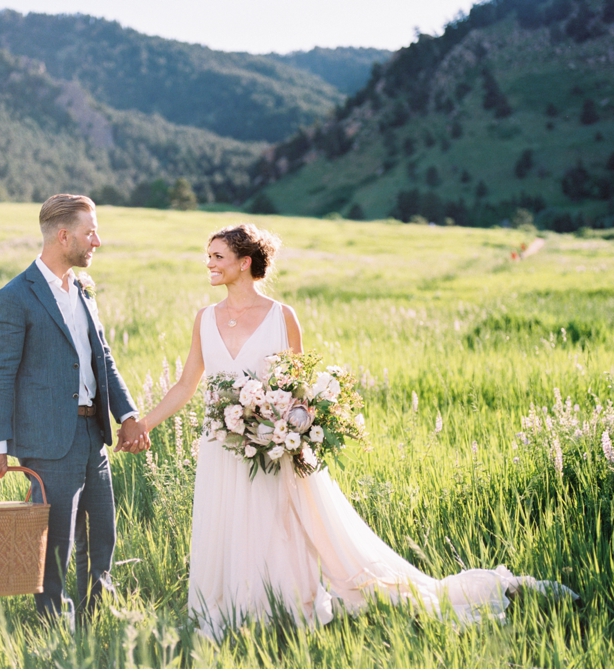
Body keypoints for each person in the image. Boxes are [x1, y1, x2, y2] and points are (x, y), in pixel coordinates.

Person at [131, 223, 577, 638]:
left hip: (272, 448)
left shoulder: (280, 316)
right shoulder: (204, 319)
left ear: (244, 262)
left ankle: (282, 611)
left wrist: (282, 422)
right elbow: (186, 384)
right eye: (208, 256)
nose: (209, 264)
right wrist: (143, 423)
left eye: (217, 256)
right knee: (226, 526)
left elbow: (300, 387)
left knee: (277, 528)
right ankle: (226, 615)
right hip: (221, 447)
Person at [0, 194, 150, 624]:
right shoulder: (14, 297)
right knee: (55, 541)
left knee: (102, 533)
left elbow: (103, 358)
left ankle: (99, 615)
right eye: (90, 232)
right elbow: (0, 374)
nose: (98, 240)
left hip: (93, 435)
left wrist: (127, 416)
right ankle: (54, 625)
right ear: (63, 235)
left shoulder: (83, 291)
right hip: (48, 442)